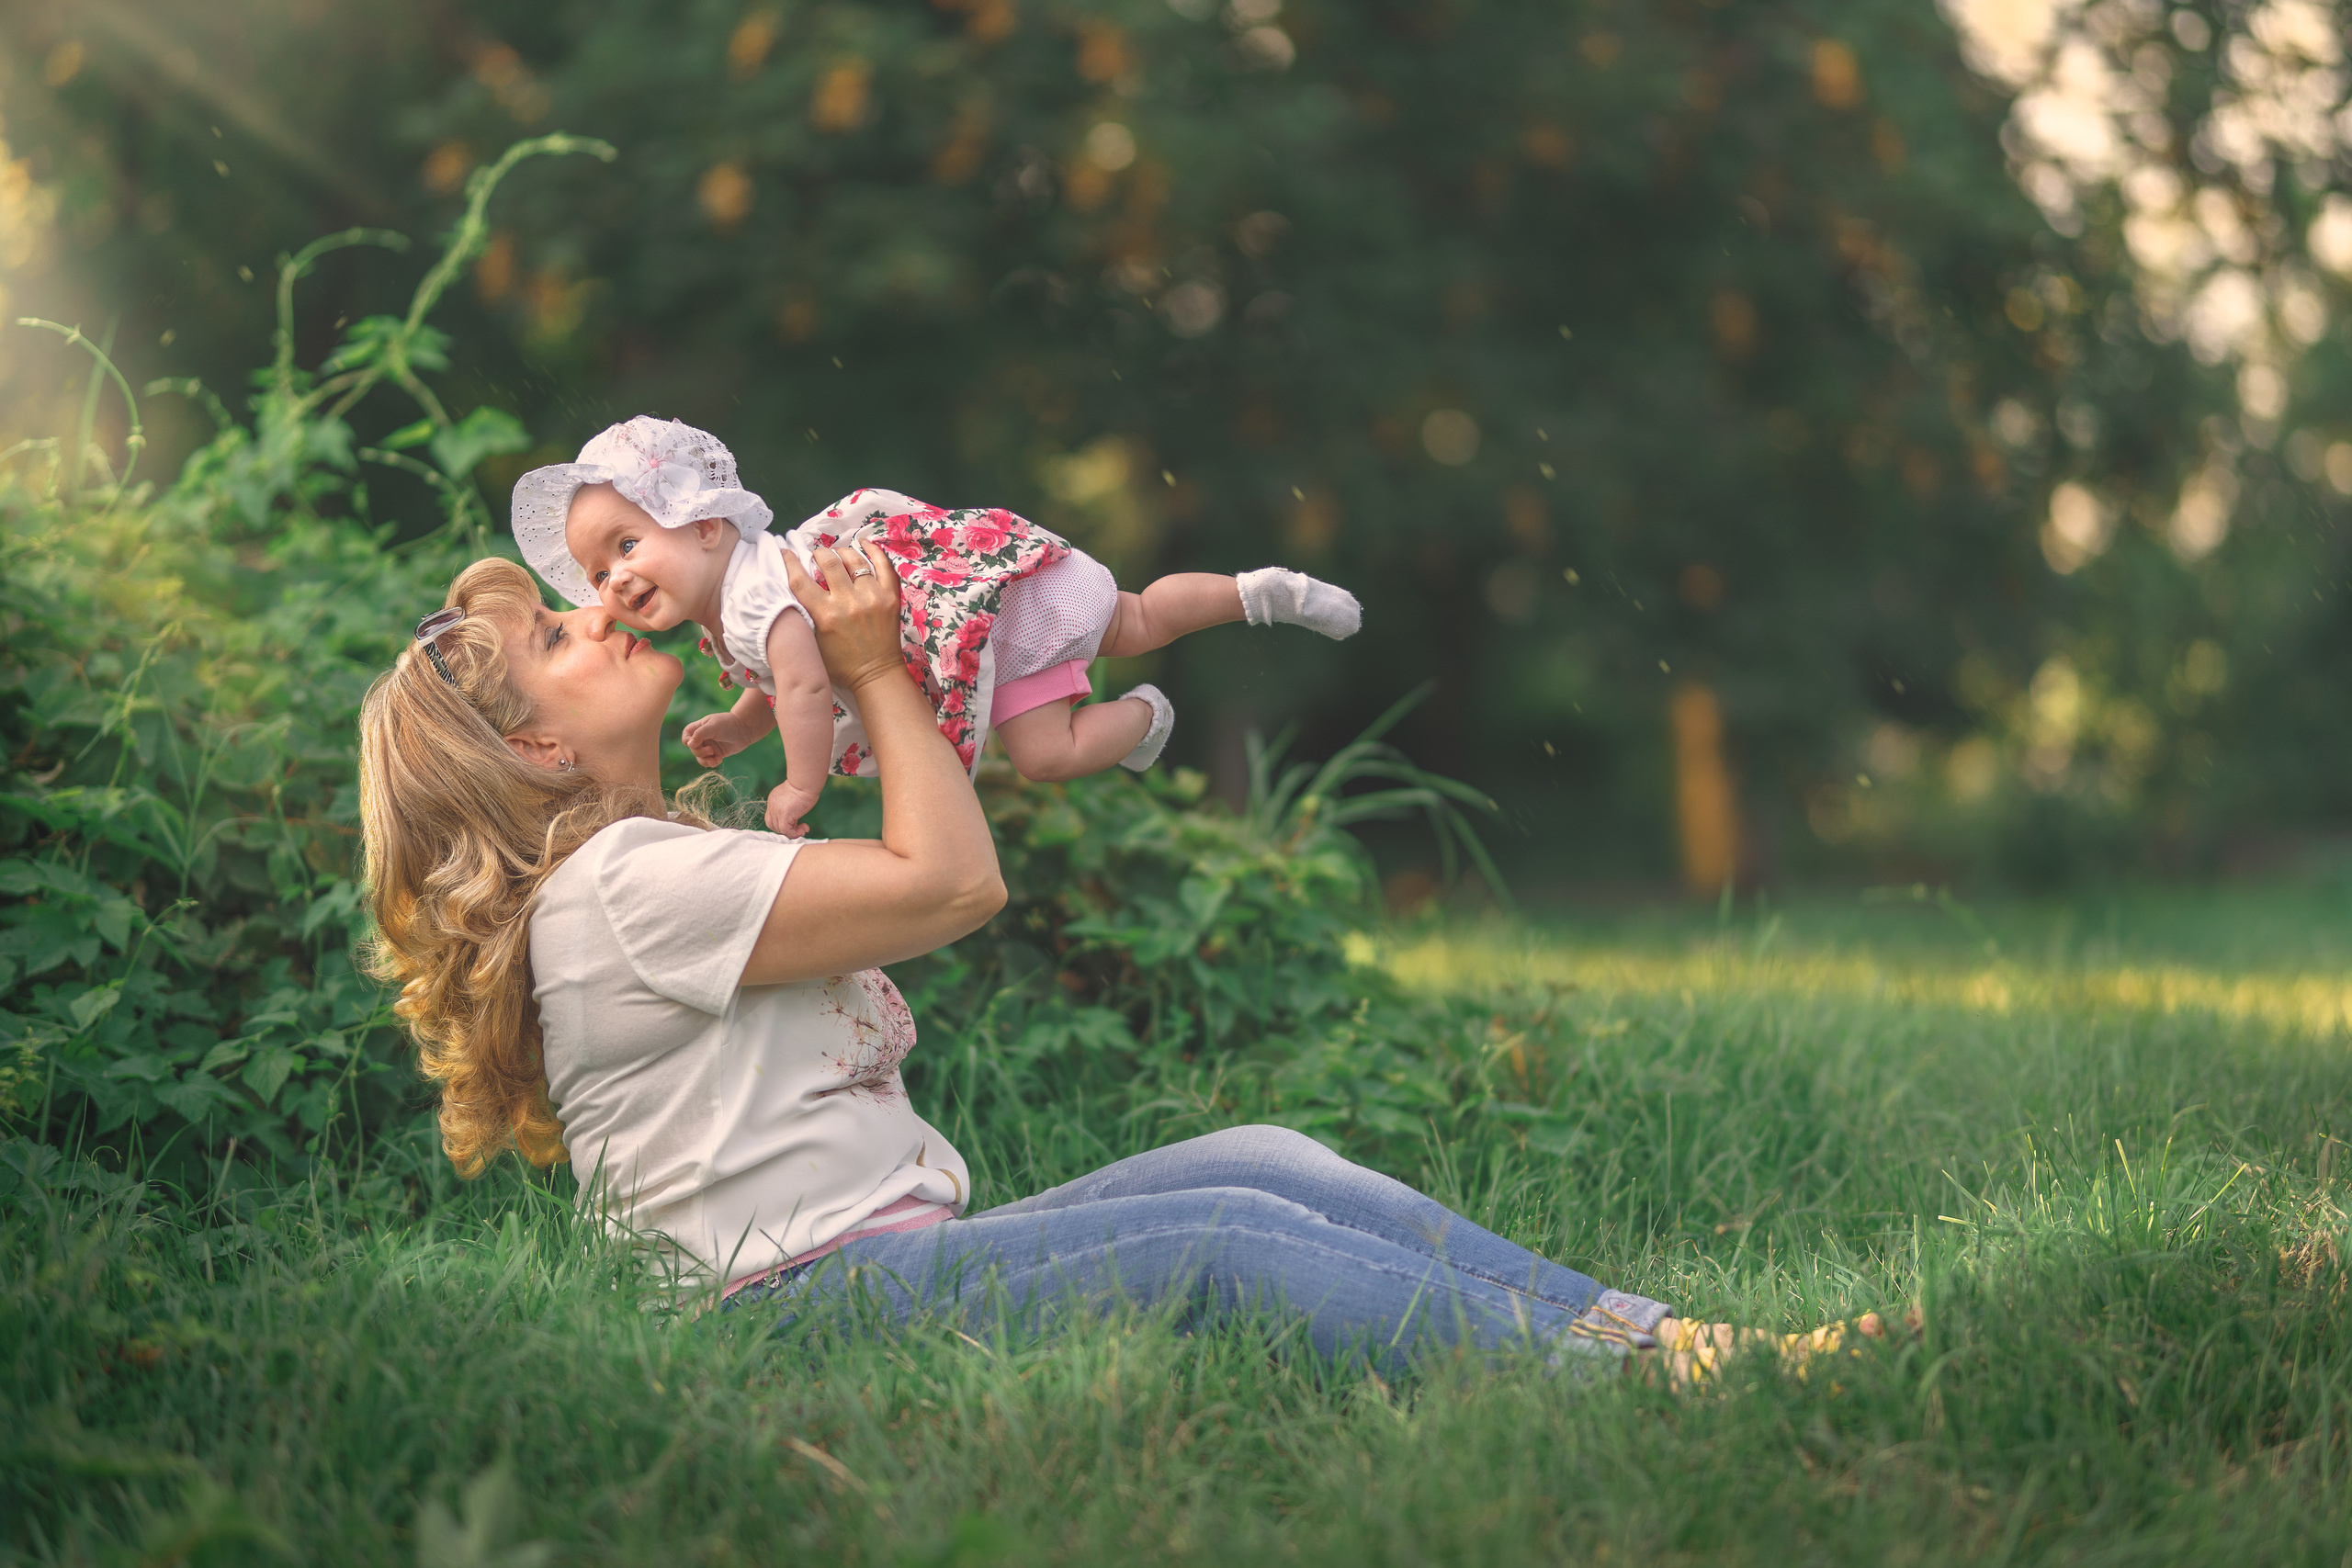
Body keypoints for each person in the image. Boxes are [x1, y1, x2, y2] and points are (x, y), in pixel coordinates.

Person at [357, 541, 1844, 1384]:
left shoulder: (637, 871)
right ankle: (1656, 1378)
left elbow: (922, 858)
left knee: (1260, 1155)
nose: (597, 611)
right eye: (560, 633)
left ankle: (1672, 1339)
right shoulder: (619, 888)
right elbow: (951, 878)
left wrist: (847, 660)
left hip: (859, 1271)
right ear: (541, 745)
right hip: (796, 1314)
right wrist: (871, 670)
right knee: (1216, 1242)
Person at [506, 416, 1362, 836]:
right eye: (597, 573)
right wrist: (737, 726)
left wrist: (800, 784)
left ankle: (1256, 591)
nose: (615, 578)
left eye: (626, 544)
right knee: (1047, 751)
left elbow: (804, 685)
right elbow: (777, 686)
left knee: (1134, 615)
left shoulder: (759, 590)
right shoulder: (731, 615)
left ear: (700, 524)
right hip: (975, 653)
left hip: (977, 615)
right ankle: (1148, 718)